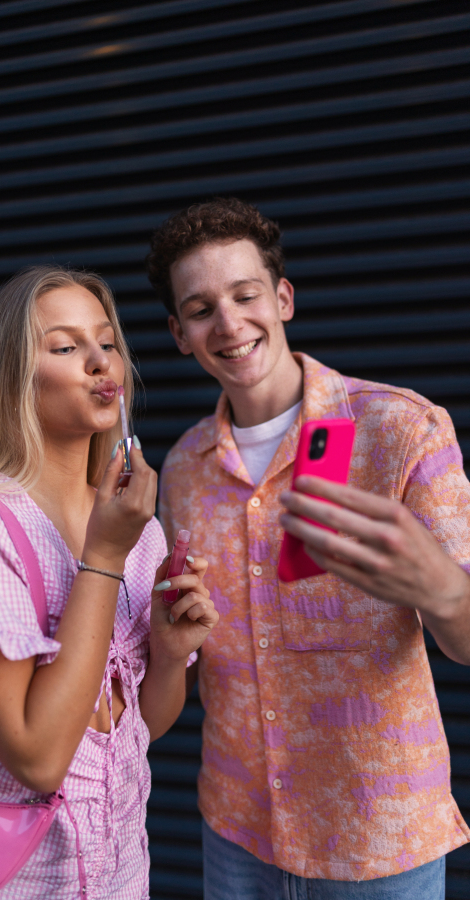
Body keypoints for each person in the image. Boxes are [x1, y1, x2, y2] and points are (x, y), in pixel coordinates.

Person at [148, 198, 470, 899]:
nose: (228, 324)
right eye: (200, 309)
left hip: (380, 845)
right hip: (236, 838)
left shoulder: (401, 431)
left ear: (283, 298)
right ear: (179, 333)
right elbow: (177, 667)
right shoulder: (179, 470)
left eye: (245, 294)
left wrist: (442, 588)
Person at [0, 266, 218, 900]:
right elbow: (41, 758)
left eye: (107, 342)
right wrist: (103, 554)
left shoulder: (140, 531)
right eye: (65, 346)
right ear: (14, 378)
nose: (99, 361)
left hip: (125, 879)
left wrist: (166, 654)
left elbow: (140, 731)